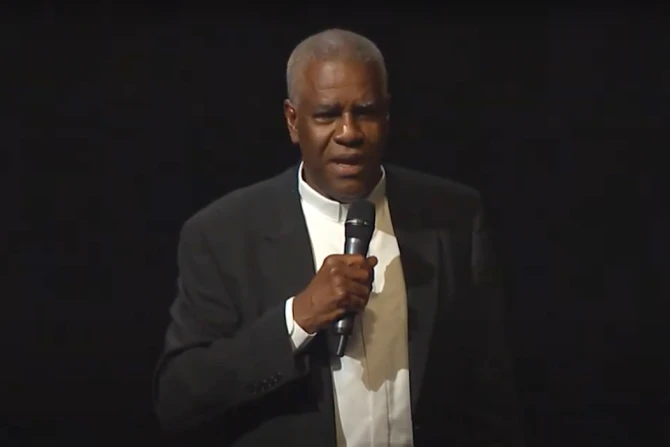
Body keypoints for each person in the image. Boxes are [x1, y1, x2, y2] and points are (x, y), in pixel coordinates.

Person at [153, 28, 525, 447]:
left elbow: (492, 395)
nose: (349, 132)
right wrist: (297, 319)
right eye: (327, 115)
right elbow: (178, 398)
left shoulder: (453, 216)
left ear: (387, 115)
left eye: (365, 112)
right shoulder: (223, 233)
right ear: (293, 121)